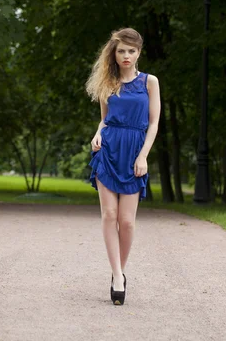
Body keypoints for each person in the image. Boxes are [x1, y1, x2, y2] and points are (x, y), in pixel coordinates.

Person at [86, 28, 161, 305]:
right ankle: (117, 276)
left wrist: (143, 156)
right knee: (109, 215)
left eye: (131, 51)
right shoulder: (108, 82)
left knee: (127, 221)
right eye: (121, 51)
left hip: (134, 152)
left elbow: (153, 123)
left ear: (139, 52)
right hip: (108, 150)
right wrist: (97, 133)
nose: (126, 56)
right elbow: (105, 119)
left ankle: (121, 270)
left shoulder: (149, 82)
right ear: (114, 54)